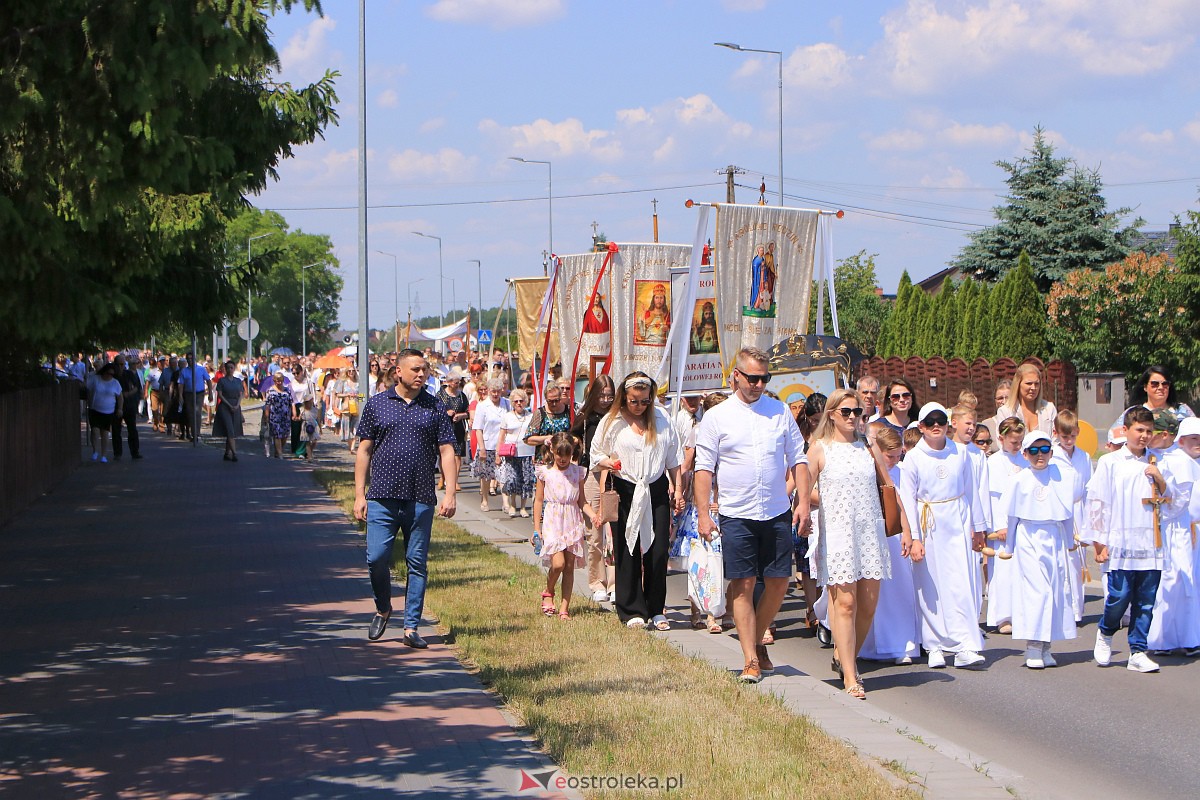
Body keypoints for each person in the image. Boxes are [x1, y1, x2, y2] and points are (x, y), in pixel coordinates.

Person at [693, 348, 810, 683]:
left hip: (775, 510)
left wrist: (801, 502)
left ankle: (756, 641)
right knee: (743, 583)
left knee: (778, 582)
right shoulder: (717, 417)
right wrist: (704, 514)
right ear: (736, 376)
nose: (758, 384)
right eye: (752, 378)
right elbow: (704, 469)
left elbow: (798, 459)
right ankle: (750, 659)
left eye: (764, 379)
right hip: (736, 512)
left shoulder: (780, 411)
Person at [354, 350, 457, 648]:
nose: (421, 374)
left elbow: (447, 451)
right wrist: (359, 494)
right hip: (382, 496)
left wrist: (450, 492)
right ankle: (383, 607)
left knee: (417, 563)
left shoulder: (434, 406)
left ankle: (411, 626)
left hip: (420, 496)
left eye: (424, 370)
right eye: (415, 369)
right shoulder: (377, 405)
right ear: (398, 371)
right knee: (376, 558)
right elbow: (364, 450)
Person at [805, 389, 892, 699]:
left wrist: (906, 530)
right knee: (846, 604)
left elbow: (888, 488)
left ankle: (843, 654)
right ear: (832, 414)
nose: (853, 417)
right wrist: (805, 510)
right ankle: (851, 675)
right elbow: (803, 488)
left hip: (870, 533)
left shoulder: (868, 448)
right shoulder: (819, 449)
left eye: (858, 412)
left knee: (868, 605)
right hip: (839, 533)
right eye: (847, 412)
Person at [1089, 407, 1181, 673]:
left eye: (1148, 431)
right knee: (1119, 595)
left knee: (1146, 600)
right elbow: (1098, 502)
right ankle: (1106, 631)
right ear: (1126, 430)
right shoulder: (1111, 462)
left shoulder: (1157, 461)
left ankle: (1138, 651)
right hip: (1121, 538)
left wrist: (1159, 477)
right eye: (1139, 430)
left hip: (1150, 541)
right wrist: (1099, 541)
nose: (1144, 436)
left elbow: (1172, 502)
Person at [590, 371, 683, 631]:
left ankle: (656, 608)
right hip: (625, 489)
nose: (640, 406)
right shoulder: (612, 421)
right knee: (626, 549)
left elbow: (674, 459)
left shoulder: (662, 419)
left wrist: (678, 490)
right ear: (624, 398)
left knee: (658, 550)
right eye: (634, 401)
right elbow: (595, 454)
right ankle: (631, 608)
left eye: (644, 401)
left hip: (655, 488)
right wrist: (609, 462)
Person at [899, 402, 989, 669]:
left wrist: (979, 528)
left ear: (948, 424)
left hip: (957, 523)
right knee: (930, 585)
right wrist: (914, 538)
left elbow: (972, 492)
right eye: (930, 422)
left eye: (941, 421)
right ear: (921, 427)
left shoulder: (961, 453)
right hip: (929, 526)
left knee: (961, 584)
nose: (936, 426)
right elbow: (907, 499)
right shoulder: (913, 458)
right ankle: (934, 644)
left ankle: (965, 645)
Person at [995, 431, 1084, 669]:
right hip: (1028, 537)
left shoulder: (1061, 476)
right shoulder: (1018, 480)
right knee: (1037, 591)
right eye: (1033, 451)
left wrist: (1068, 541)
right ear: (1025, 454)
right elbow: (1012, 515)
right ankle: (1033, 646)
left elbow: (1066, 511)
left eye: (1044, 450)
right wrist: (1009, 545)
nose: (1039, 455)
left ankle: (1046, 645)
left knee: (1054, 591)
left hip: (1053, 536)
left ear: (1051, 453)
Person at [859, 427, 921, 665]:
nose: (895, 461)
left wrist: (909, 533)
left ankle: (902, 643)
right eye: (890, 457)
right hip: (877, 533)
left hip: (897, 536)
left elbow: (905, 503)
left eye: (898, 456)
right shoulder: (873, 473)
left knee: (901, 590)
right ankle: (873, 644)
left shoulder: (904, 473)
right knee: (878, 592)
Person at [1147, 413, 1200, 654]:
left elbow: (1184, 503)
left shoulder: (1187, 462)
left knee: (1185, 584)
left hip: (1185, 531)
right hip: (1165, 530)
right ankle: (1160, 640)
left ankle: (1189, 638)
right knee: (1166, 584)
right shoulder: (1165, 458)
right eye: (1193, 438)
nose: (1197, 443)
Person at [533, 432, 596, 619]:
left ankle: (564, 608)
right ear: (552, 450)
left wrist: (593, 516)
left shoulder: (578, 472)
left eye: (567, 455)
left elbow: (582, 501)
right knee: (558, 563)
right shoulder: (545, 472)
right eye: (559, 454)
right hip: (553, 520)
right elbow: (538, 501)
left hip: (572, 520)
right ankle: (548, 590)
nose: (563, 459)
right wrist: (537, 528)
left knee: (569, 566)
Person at [570, 375, 617, 603]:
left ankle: (615, 582)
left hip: (615, 474)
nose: (605, 400)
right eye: (602, 395)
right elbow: (572, 436)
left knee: (615, 530)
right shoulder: (586, 417)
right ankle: (597, 581)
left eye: (609, 395)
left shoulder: (618, 417)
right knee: (595, 530)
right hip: (592, 473)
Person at [986, 417, 1027, 634]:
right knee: (1003, 571)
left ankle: (1021, 612)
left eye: (1020, 441)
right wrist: (1000, 526)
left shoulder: (1024, 460)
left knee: (1021, 569)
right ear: (1001, 439)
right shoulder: (994, 463)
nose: (1017, 446)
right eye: (1013, 442)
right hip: (1003, 525)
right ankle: (1003, 616)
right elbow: (995, 497)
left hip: (1022, 522)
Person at [1051, 410, 1092, 622]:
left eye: (1073, 436)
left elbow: (1088, 488)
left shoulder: (1083, 456)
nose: (1068, 441)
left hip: (1078, 511)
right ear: (1056, 433)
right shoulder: (1051, 456)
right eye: (1064, 437)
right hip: (1059, 512)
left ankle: (1076, 609)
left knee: (1077, 562)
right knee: (1061, 560)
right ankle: (1062, 608)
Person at [1110, 365, 1195, 436]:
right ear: (1145, 387)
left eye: (1165, 384)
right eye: (1155, 384)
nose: (1160, 387)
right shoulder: (1133, 412)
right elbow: (1114, 437)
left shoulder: (1183, 411)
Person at [496, 389, 537, 518]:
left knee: (526, 480)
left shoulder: (531, 416)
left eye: (521, 401)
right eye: (516, 401)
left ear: (525, 402)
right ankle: (513, 504)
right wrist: (498, 454)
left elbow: (534, 435)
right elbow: (501, 436)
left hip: (527, 452)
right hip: (511, 453)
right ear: (512, 403)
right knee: (513, 479)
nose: (519, 403)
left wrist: (535, 454)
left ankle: (523, 507)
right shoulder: (507, 416)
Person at [471, 378, 509, 512]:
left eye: (498, 391)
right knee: (486, 475)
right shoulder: (482, 406)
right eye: (493, 391)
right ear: (488, 391)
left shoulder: (506, 404)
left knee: (504, 474)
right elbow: (478, 429)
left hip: (503, 445)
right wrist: (481, 448)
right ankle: (485, 499)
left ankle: (505, 502)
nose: (495, 394)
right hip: (487, 444)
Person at [998, 363, 1057, 436]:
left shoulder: (1049, 409)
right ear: (1018, 384)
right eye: (1029, 383)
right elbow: (1002, 441)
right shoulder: (1005, 411)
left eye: (1037, 384)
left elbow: (1056, 439)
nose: (1033, 388)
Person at [436, 367, 470, 490]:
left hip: (458, 428)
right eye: (455, 382)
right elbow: (435, 411)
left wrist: (462, 415)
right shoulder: (440, 395)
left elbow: (468, 411)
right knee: (443, 453)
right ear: (449, 382)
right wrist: (446, 413)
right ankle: (443, 477)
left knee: (457, 454)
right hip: (444, 427)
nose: (457, 385)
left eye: (459, 382)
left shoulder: (462, 396)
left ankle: (454, 480)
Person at [523, 383, 572, 460]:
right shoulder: (540, 413)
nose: (554, 404)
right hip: (544, 459)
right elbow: (528, 439)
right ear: (546, 399)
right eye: (550, 401)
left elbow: (576, 435)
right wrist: (547, 438)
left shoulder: (569, 411)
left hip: (564, 459)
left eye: (557, 400)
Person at [87, 363, 122, 463]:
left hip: (108, 411)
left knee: (105, 432)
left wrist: (120, 408)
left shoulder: (115, 383)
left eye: (112, 374)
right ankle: (95, 451)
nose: (109, 376)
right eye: (108, 373)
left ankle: (103, 455)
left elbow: (120, 397)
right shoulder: (95, 379)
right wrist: (89, 402)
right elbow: (88, 390)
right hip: (94, 409)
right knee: (94, 430)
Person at [111, 355, 143, 460]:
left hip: (129, 405)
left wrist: (127, 394)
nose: (121, 367)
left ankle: (135, 452)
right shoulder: (112, 376)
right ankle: (117, 453)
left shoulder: (129, 374)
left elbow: (136, 388)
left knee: (132, 429)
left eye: (123, 364)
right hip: (116, 406)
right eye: (119, 364)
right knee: (116, 430)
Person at [212, 361, 245, 462]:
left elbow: (241, 394)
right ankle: (234, 453)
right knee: (229, 429)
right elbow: (220, 395)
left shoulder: (238, 381)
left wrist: (237, 405)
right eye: (228, 368)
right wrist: (229, 405)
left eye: (232, 368)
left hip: (236, 406)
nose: (230, 370)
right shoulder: (222, 381)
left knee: (233, 431)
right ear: (225, 369)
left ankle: (227, 452)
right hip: (225, 406)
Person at [177, 353, 212, 443]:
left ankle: (197, 434)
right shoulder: (184, 371)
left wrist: (210, 393)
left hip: (199, 394)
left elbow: (208, 380)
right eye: (188, 359)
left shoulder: (201, 369)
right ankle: (193, 433)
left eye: (191, 358)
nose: (190, 360)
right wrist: (180, 395)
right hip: (188, 394)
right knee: (190, 414)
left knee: (197, 412)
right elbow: (181, 384)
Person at [263, 373, 293, 459]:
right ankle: (280, 454)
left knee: (285, 435)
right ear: (274, 381)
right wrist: (266, 416)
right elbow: (267, 405)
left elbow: (291, 402)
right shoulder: (271, 390)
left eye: (280, 381)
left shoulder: (287, 390)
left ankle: (278, 451)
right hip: (275, 416)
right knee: (277, 435)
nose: (279, 382)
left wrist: (293, 412)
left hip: (286, 416)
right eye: (277, 381)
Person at [299, 397, 320, 463]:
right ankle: (309, 457)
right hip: (305, 425)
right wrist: (298, 418)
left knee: (314, 441)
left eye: (311, 402)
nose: (309, 403)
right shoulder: (302, 409)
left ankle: (309, 452)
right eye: (308, 402)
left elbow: (318, 419)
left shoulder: (315, 410)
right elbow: (300, 418)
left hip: (313, 426)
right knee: (307, 442)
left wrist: (320, 428)